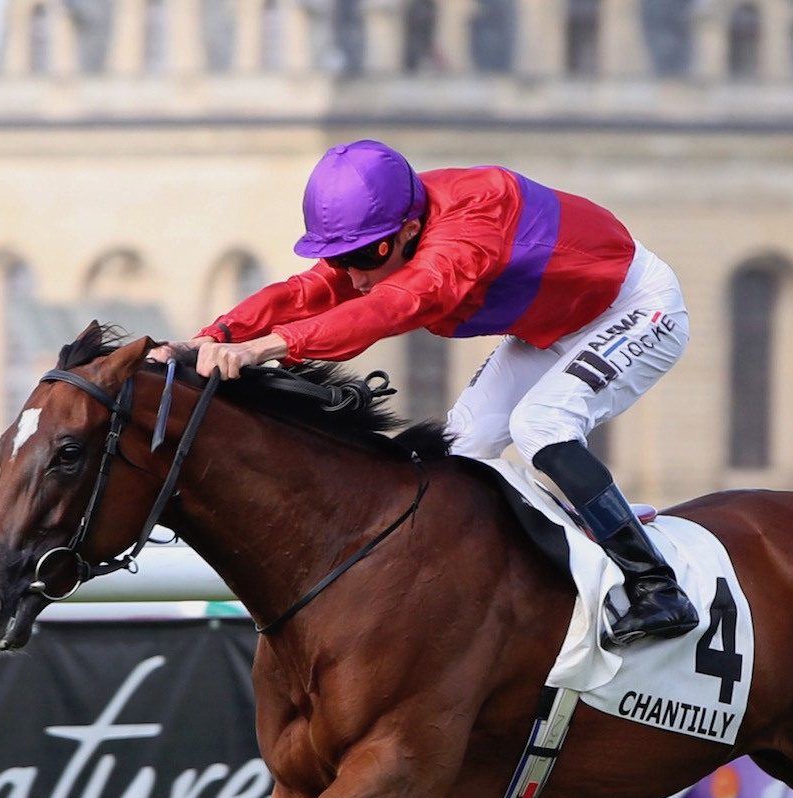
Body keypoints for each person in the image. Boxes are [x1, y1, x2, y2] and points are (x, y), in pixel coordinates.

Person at [154, 139, 697, 647]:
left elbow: (389, 308)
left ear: (411, 228)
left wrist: (266, 349)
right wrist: (215, 336)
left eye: (368, 257)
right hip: (553, 329)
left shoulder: (466, 235)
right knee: (460, 453)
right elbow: (308, 291)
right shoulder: (385, 226)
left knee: (541, 425)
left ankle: (656, 585)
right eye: (344, 259)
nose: (355, 275)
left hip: (635, 310)